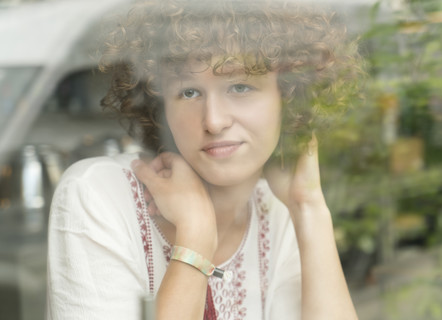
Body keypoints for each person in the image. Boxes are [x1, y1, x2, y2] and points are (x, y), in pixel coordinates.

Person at [46, 0, 363, 319]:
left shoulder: (278, 210)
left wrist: (308, 206)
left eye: (240, 87)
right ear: (160, 106)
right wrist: (195, 236)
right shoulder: (98, 197)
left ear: (290, 97)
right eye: (189, 92)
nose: (213, 121)